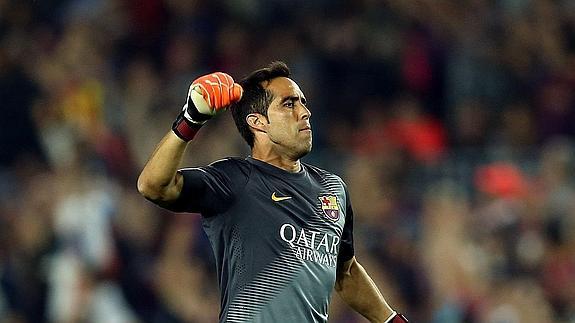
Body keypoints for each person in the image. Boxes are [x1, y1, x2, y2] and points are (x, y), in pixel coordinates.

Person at [137, 62, 408, 323]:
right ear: (258, 122)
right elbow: (153, 186)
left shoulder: (333, 189)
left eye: (303, 102)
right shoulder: (235, 180)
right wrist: (190, 120)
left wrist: (390, 319)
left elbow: (345, 272)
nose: (305, 112)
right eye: (289, 104)